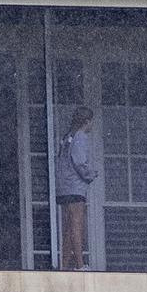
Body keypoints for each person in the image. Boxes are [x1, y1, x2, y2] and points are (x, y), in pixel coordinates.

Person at [56, 107, 98, 271]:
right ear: (87, 121)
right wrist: (90, 174)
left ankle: (64, 265)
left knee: (68, 226)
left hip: (64, 186)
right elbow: (79, 161)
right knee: (77, 224)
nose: (92, 124)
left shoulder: (68, 137)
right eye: (91, 121)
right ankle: (80, 265)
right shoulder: (81, 137)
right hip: (75, 186)